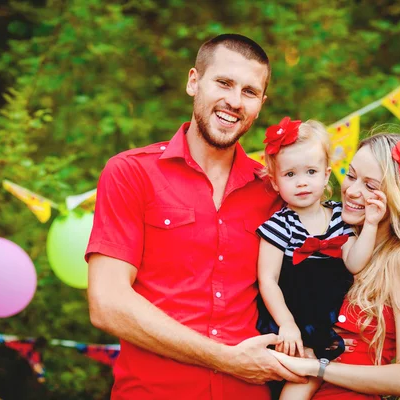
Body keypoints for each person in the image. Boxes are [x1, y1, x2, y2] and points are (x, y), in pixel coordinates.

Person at [85, 34, 305, 400]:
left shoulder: (274, 192)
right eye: (224, 83)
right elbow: (108, 304)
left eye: (250, 92)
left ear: (261, 104)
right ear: (193, 81)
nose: (234, 102)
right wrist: (226, 359)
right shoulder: (131, 172)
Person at [267, 132, 400, 399]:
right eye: (351, 176)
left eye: (371, 186)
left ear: (399, 197)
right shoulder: (340, 242)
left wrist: (317, 368)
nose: (351, 191)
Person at [255, 118, 387, 400]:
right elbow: (267, 280)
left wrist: (372, 225)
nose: (302, 182)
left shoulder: (340, 217)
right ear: (275, 182)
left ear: (327, 175)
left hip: (333, 322)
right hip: (295, 319)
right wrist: (287, 323)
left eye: (311, 172)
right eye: (289, 175)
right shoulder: (280, 225)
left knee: (328, 381)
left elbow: (354, 262)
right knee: (298, 382)